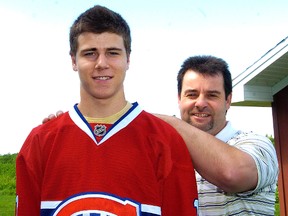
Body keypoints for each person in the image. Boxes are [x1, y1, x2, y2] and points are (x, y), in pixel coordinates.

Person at [16, 5, 199, 216]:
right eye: (90, 53)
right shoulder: (40, 142)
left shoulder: (166, 141)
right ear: (74, 61)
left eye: (112, 53)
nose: (101, 63)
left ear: (128, 59)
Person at [156, 55, 279, 215]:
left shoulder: (257, 145)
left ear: (228, 100)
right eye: (192, 94)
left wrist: (169, 123)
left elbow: (232, 174)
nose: (200, 103)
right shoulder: (163, 154)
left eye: (212, 95)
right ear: (179, 99)